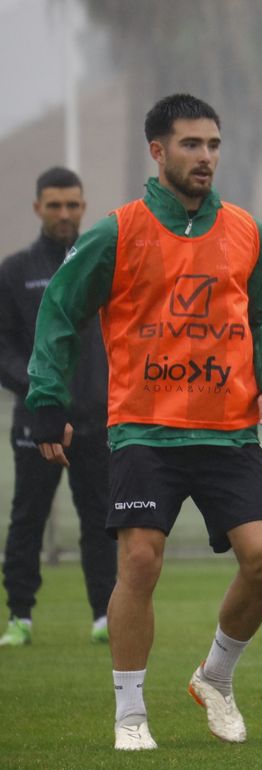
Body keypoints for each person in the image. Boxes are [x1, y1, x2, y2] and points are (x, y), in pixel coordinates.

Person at [27, 93, 262, 752]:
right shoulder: (118, 232)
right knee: (141, 560)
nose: (205, 157)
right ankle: (130, 713)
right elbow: (59, 311)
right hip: (145, 429)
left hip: (228, 430)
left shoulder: (247, 232)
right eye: (190, 144)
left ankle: (215, 677)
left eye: (213, 145)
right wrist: (48, 401)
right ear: (157, 150)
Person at [0, 167, 115, 647]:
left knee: (103, 519)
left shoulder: (102, 264)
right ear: (38, 208)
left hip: (97, 420)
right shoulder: (14, 272)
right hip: (38, 422)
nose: (64, 213)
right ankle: (19, 617)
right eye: (54, 205)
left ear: (83, 207)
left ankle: (105, 615)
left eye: (72, 204)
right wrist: (38, 387)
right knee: (27, 518)